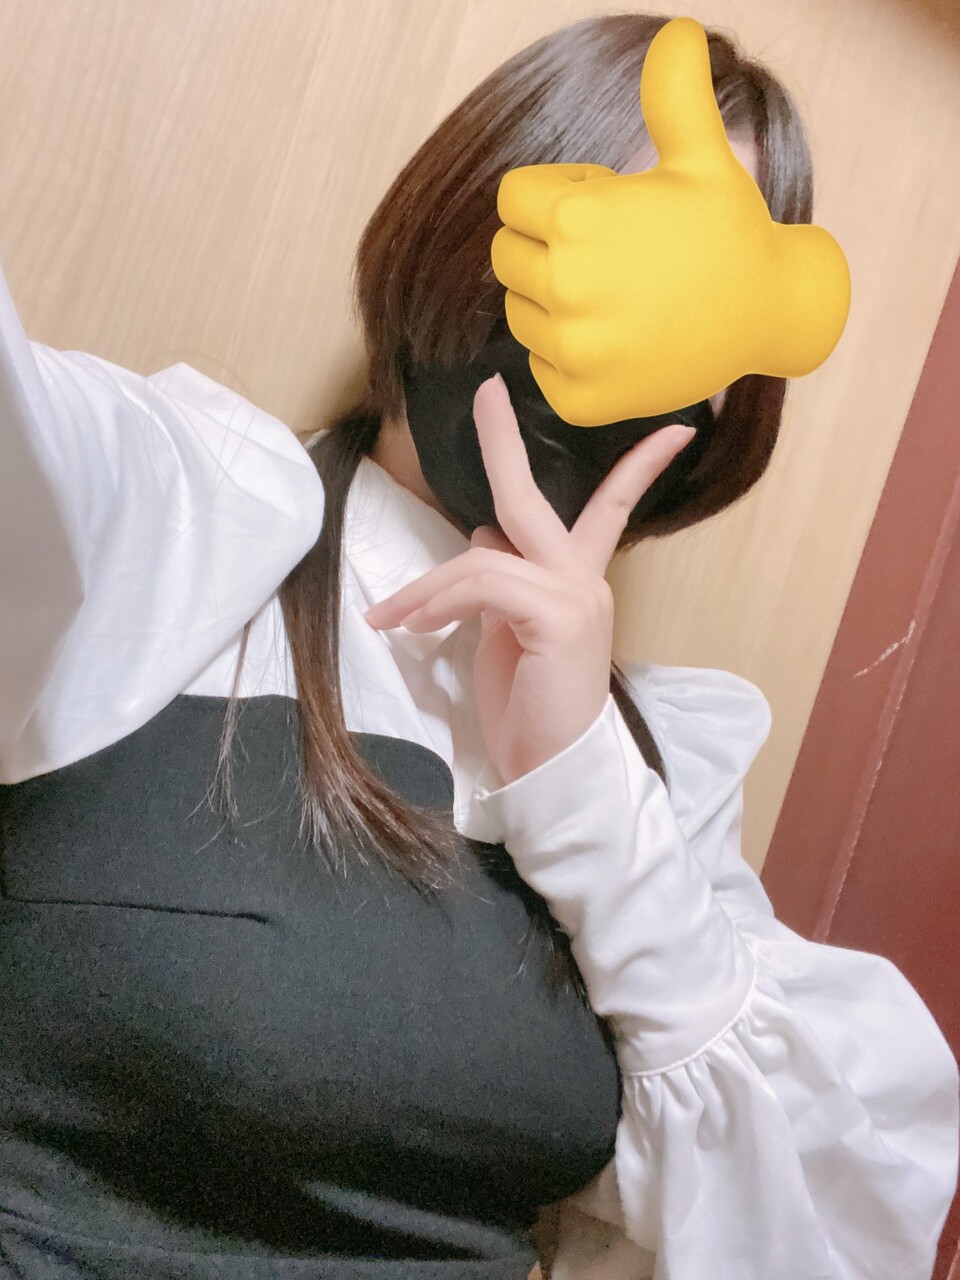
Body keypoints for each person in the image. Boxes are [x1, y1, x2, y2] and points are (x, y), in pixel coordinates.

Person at [0, 11, 956, 1280]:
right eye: (614, 249)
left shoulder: (664, 768)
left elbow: (818, 1238)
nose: (626, 351)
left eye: (704, 313)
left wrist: (588, 794)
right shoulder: (185, 519)